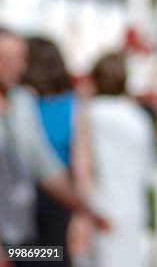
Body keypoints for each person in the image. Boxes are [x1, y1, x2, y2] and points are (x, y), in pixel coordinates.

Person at [0, 27, 108, 266]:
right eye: (11, 59)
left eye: (23, 59)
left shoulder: (22, 100)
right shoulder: (70, 104)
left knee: (50, 257)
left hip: (29, 225)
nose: (21, 67)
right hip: (26, 223)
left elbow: (42, 163)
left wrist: (83, 211)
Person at [71, 52, 156, 267]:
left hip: (101, 208)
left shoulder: (89, 112)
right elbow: (147, 167)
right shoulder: (139, 116)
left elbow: (81, 165)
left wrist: (81, 211)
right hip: (133, 209)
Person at [21, 37, 79, 266]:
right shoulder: (74, 106)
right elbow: (81, 166)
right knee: (55, 258)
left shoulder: (20, 105)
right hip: (62, 201)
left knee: (27, 257)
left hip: (28, 200)